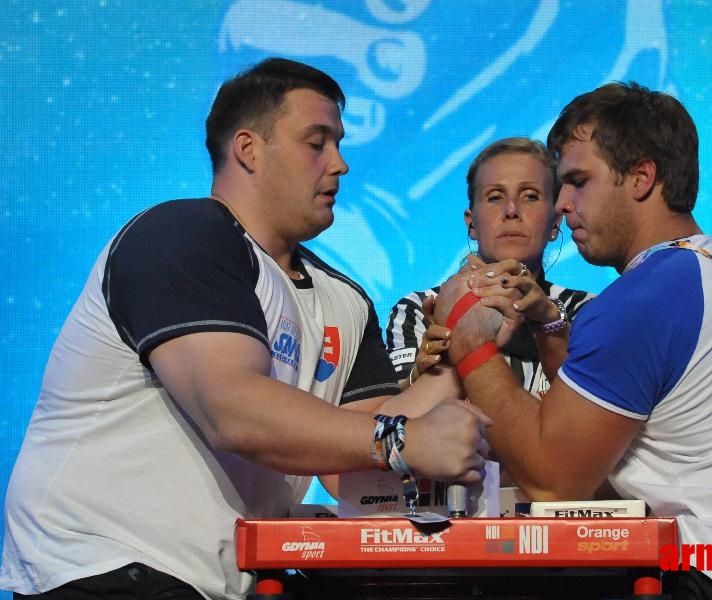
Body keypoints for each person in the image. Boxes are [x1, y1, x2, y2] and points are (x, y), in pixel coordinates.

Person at [0, 57, 490, 600]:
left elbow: (345, 450)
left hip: (220, 581)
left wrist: (466, 343)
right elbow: (231, 409)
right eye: (317, 142)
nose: (341, 164)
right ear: (248, 149)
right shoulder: (182, 234)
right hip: (104, 566)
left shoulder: (345, 299)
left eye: (339, 143)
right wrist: (406, 440)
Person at [432, 82, 712, 599]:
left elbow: (554, 480)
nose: (561, 204)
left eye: (578, 181)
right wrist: (549, 324)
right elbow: (602, 412)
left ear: (642, 177)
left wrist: (469, 337)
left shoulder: (647, 296)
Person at [384, 137, 592, 399]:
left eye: (530, 196)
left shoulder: (586, 311)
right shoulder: (419, 308)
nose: (512, 210)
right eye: (495, 197)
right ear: (471, 224)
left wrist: (548, 324)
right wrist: (425, 371)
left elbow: (589, 414)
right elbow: (390, 419)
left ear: (555, 222)